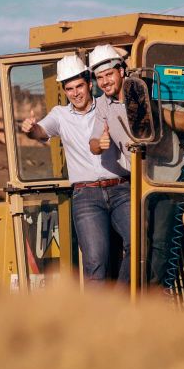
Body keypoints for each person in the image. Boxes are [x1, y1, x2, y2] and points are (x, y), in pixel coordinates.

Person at [87, 45, 184, 289]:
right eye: (99, 78)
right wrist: (99, 144)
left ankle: (153, 295)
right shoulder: (103, 104)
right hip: (137, 180)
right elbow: (93, 142)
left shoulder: (150, 89)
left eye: (108, 75)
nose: (104, 82)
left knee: (159, 241)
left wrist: (151, 108)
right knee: (137, 240)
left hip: (166, 177)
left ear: (122, 72)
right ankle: (133, 295)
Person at [22, 53, 131, 283]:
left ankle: (122, 306)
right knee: (95, 261)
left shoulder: (107, 105)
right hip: (87, 195)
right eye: (69, 88)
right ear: (64, 90)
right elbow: (41, 131)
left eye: (79, 86)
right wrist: (30, 129)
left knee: (139, 243)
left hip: (121, 189)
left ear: (89, 84)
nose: (75, 93)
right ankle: (93, 318)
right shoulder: (59, 116)